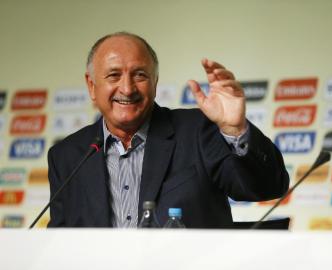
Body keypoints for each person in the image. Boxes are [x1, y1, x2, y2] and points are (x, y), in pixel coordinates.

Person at [47, 31, 289, 228]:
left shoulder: (197, 131)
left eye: (140, 75)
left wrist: (236, 129)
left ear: (155, 81)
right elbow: (60, 241)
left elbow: (267, 187)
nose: (127, 88)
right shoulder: (67, 157)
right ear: (91, 86)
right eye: (113, 75)